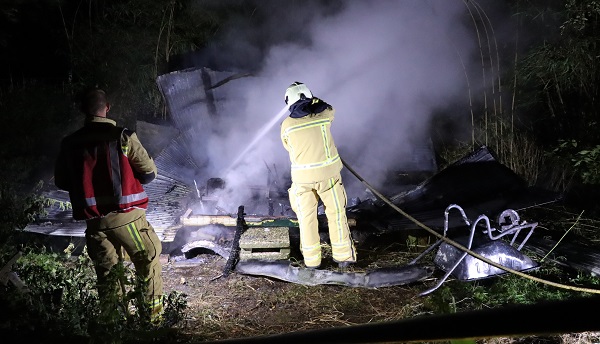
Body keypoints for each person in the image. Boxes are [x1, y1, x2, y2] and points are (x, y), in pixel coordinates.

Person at [54, 88, 163, 325]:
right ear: (108, 107)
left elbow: (62, 181)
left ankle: (112, 326)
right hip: (128, 218)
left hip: (95, 223)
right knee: (148, 261)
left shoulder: (70, 143)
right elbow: (149, 173)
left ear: (83, 110)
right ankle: (152, 323)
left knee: (107, 274)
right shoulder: (122, 136)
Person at [280, 81, 357, 269]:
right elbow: (330, 108)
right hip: (329, 177)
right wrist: (316, 102)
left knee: (306, 219)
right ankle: (343, 258)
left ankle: (312, 262)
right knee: (336, 214)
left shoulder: (287, 125)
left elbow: (287, 146)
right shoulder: (324, 115)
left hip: (302, 181)